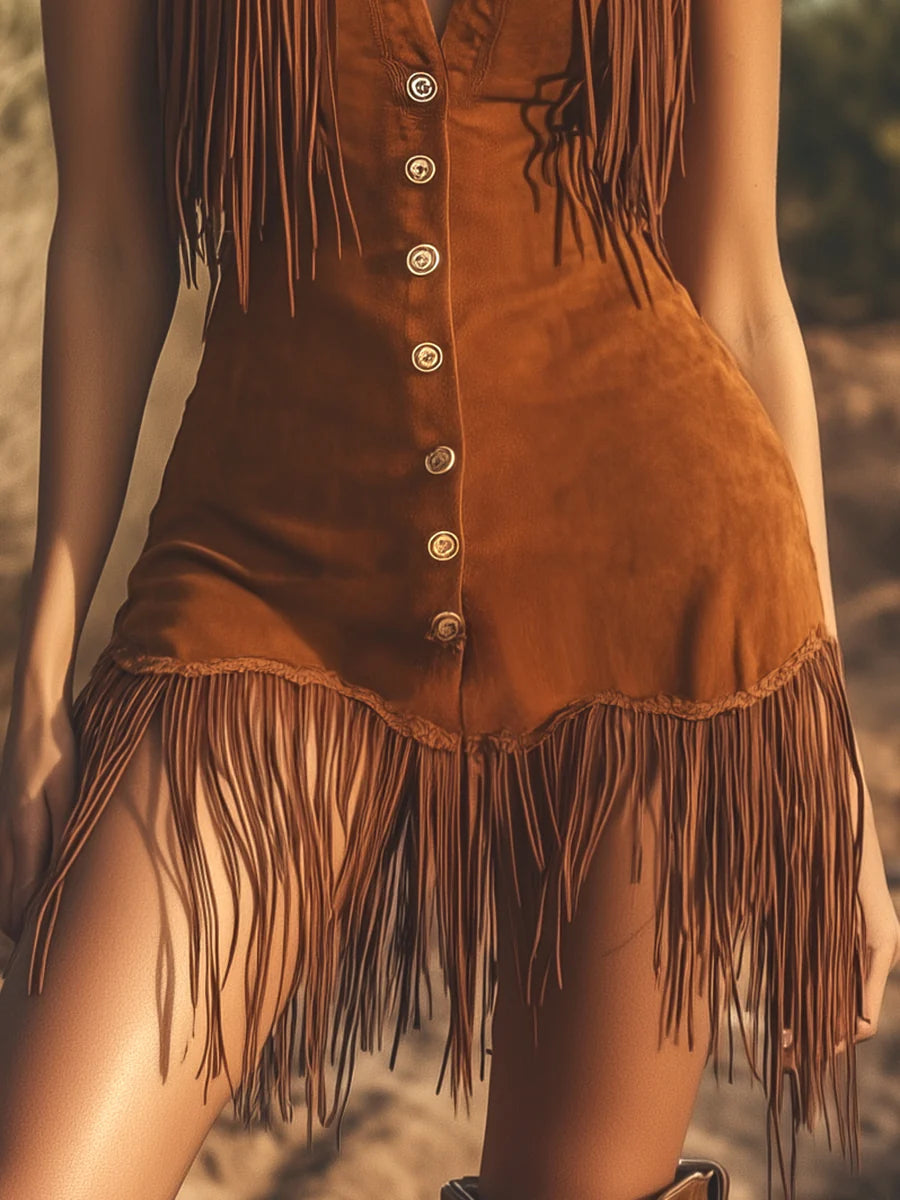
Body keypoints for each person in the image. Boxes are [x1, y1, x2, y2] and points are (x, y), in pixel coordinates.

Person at [0, 0, 898, 1198]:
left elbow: (734, 280)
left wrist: (824, 761)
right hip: (262, 575)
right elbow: (110, 242)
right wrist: (42, 663)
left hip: (650, 599)